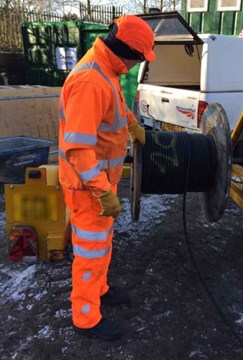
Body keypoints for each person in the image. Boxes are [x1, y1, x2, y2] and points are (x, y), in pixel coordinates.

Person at [57, 14, 155, 341]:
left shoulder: (106, 69)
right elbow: (77, 148)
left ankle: (99, 291)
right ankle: (86, 318)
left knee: (102, 245)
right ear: (126, 52)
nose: (137, 63)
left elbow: (115, 105)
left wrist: (132, 124)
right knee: (89, 253)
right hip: (88, 187)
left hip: (101, 182)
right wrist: (102, 191)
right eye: (139, 58)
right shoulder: (90, 82)